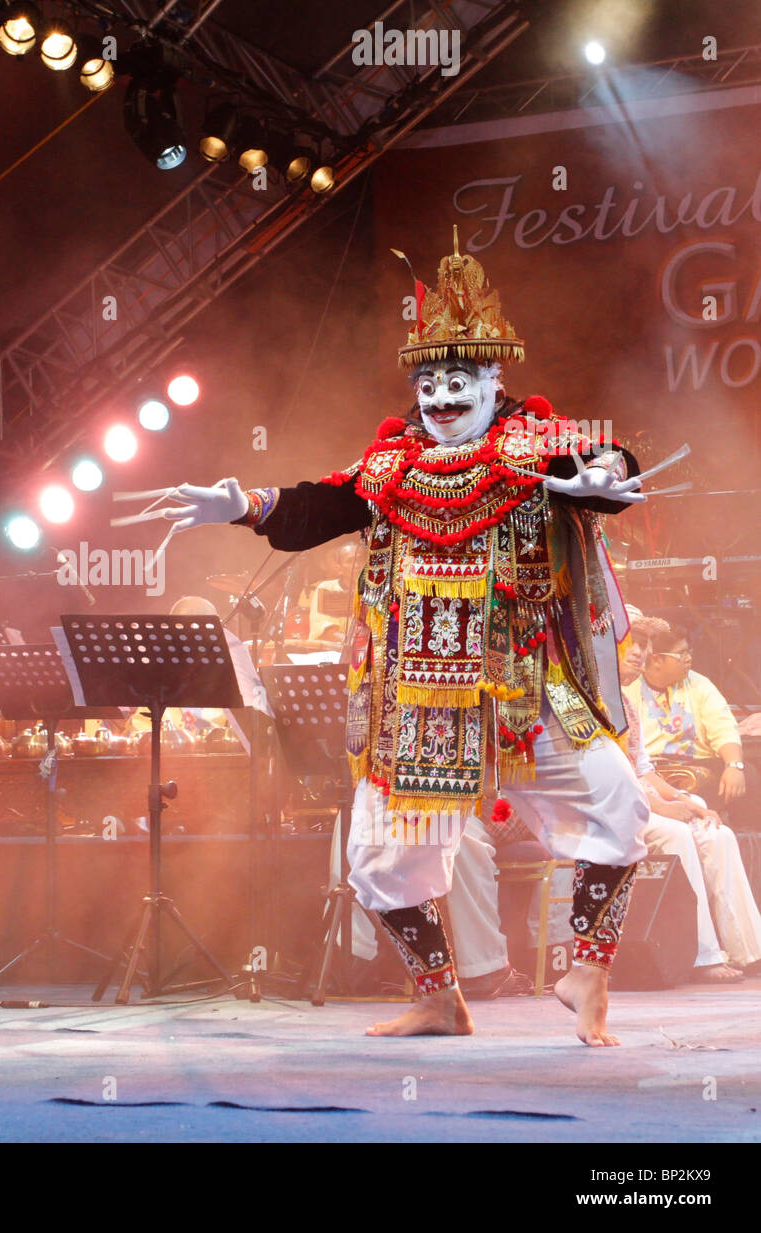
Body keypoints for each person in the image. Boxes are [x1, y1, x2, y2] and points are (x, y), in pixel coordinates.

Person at [162, 229, 650, 1045]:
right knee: (381, 864)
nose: (443, 394)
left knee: (619, 803)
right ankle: (439, 998)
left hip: (527, 685)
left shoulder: (535, 447)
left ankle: (589, 969)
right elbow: (317, 506)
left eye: (461, 379)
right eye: (430, 381)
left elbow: (607, 466)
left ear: (495, 383)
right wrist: (242, 505)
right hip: (418, 699)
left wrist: (597, 480)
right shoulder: (390, 469)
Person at [621, 612, 761, 978]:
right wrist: (664, 806)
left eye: (641, 646)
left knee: (717, 832)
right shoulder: (610, 695)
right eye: (631, 647)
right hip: (623, 801)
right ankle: (704, 956)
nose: (636, 654)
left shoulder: (693, 686)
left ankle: (749, 950)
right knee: (679, 833)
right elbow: (619, 778)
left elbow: (642, 768)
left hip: (665, 783)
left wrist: (681, 802)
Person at [635, 624, 754, 825]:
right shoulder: (630, 685)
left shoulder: (699, 683)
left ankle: (746, 845)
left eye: (689, 651)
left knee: (747, 774)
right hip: (652, 769)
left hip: (696, 764)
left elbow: (723, 728)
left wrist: (734, 766)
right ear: (656, 659)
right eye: (681, 654)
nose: (688, 658)